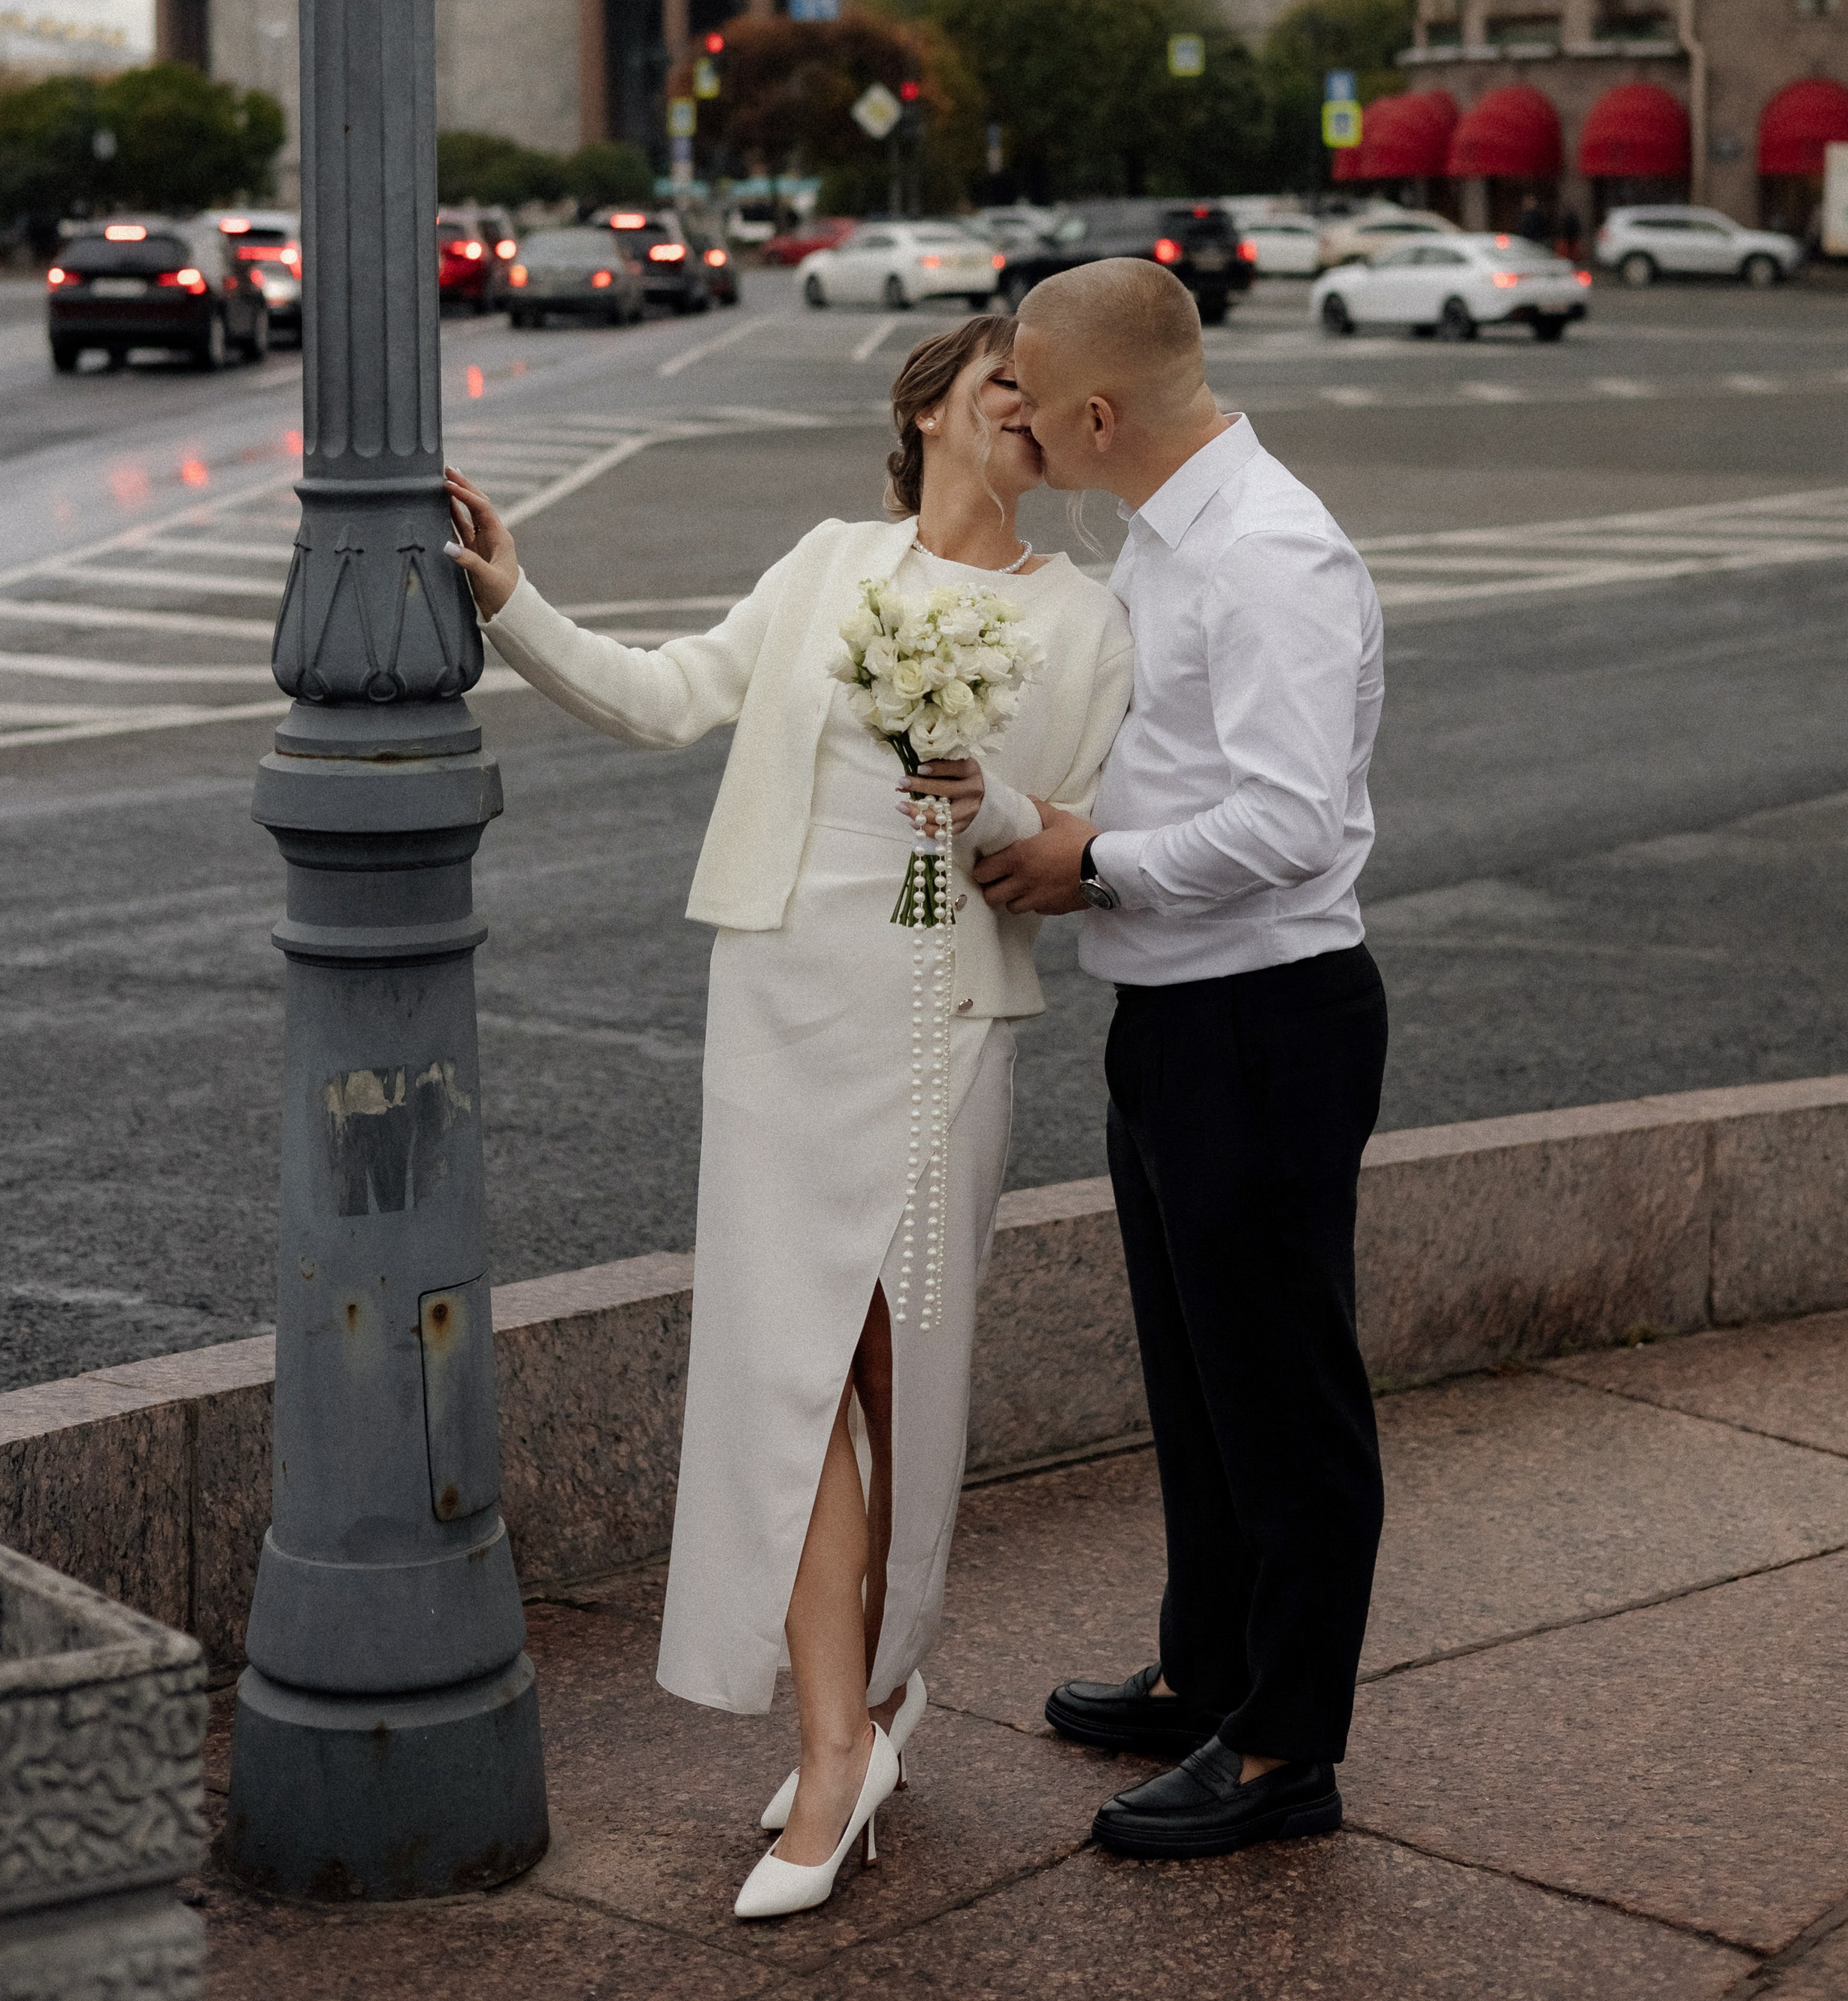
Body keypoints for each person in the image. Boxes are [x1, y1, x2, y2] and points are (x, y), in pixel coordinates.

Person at [443, 316, 1132, 1921]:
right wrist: (510, 601)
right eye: (999, 383)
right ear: (930, 413)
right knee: (795, 1378)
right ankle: (832, 1754)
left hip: (934, 1008)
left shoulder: (1084, 619)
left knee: (903, 1376)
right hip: (777, 1006)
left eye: (1042, 391)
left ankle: (882, 1706)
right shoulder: (829, 564)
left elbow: (1104, 830)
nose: (1026, 408)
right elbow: (667, 696)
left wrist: (997, 804)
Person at [974, 258, 1387, 1862]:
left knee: (1283, 1407)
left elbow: (1287, 824)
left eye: (1024, 386)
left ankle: (1286, 1747)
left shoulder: (1272, 553)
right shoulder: (1165, 535)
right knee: (1202, 1388)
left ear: (1097, 410)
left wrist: (1094, 864)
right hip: (1177, 1017)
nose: (1011, 408)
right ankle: (1204, 1671)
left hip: (1264, 1022)